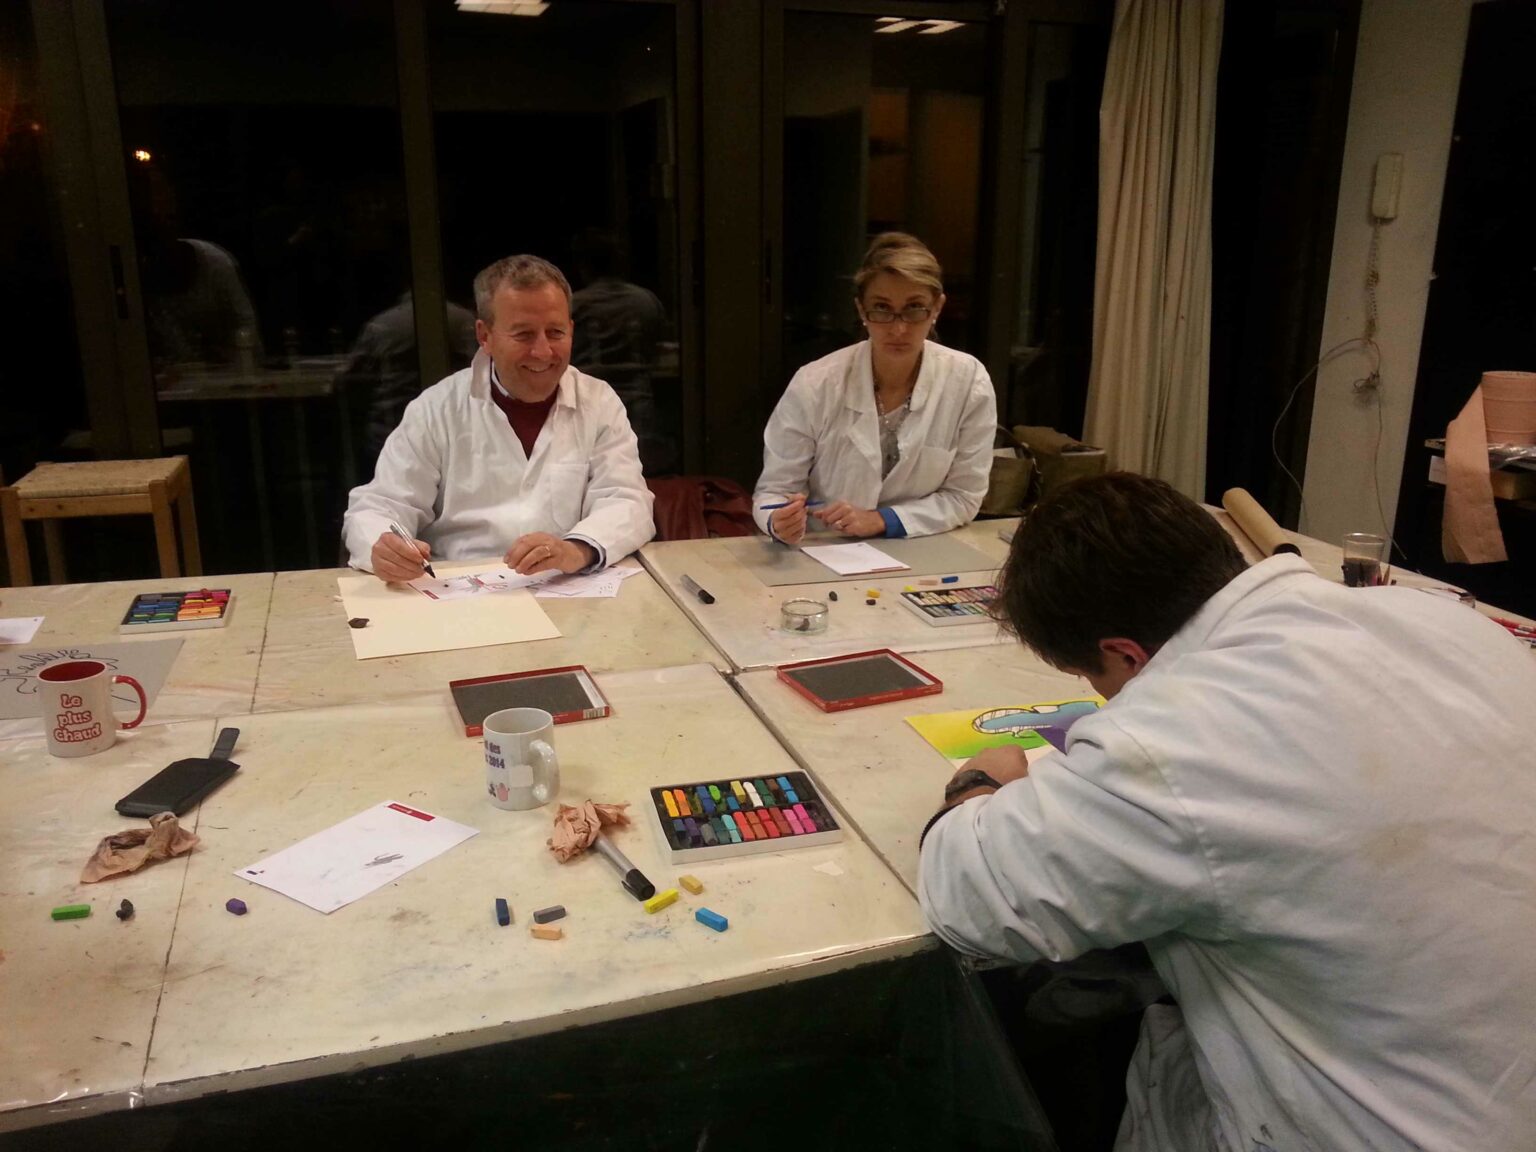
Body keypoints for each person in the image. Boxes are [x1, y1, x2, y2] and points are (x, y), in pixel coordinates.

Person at [918, 473, 1536, 1152]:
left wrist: (980, 782)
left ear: (1124, 654)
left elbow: (970, 900)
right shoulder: (1446, 621)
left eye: (1095, 679)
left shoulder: (1170, 739)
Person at [342, 255, 654, 582]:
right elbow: (379, 506)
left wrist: (577, 549)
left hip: (566, 587)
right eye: (524, 335)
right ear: (485, 336)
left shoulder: (599, 402)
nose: (543, 351)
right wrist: (384, 547)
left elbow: (628, 500)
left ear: (572, 330)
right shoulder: (436, 409)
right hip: (458, 593)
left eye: (555, 332)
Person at [753, 232, 996, 543]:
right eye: (882, 308)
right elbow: (774, 491)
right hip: (823, 546)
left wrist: (881, 520)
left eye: (914, 308)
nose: (899, 328)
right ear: (860, 309)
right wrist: (779, 521)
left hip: (923, 546)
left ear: (937, 308)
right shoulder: (816, 383)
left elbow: (964, 496)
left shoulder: (968, 381)